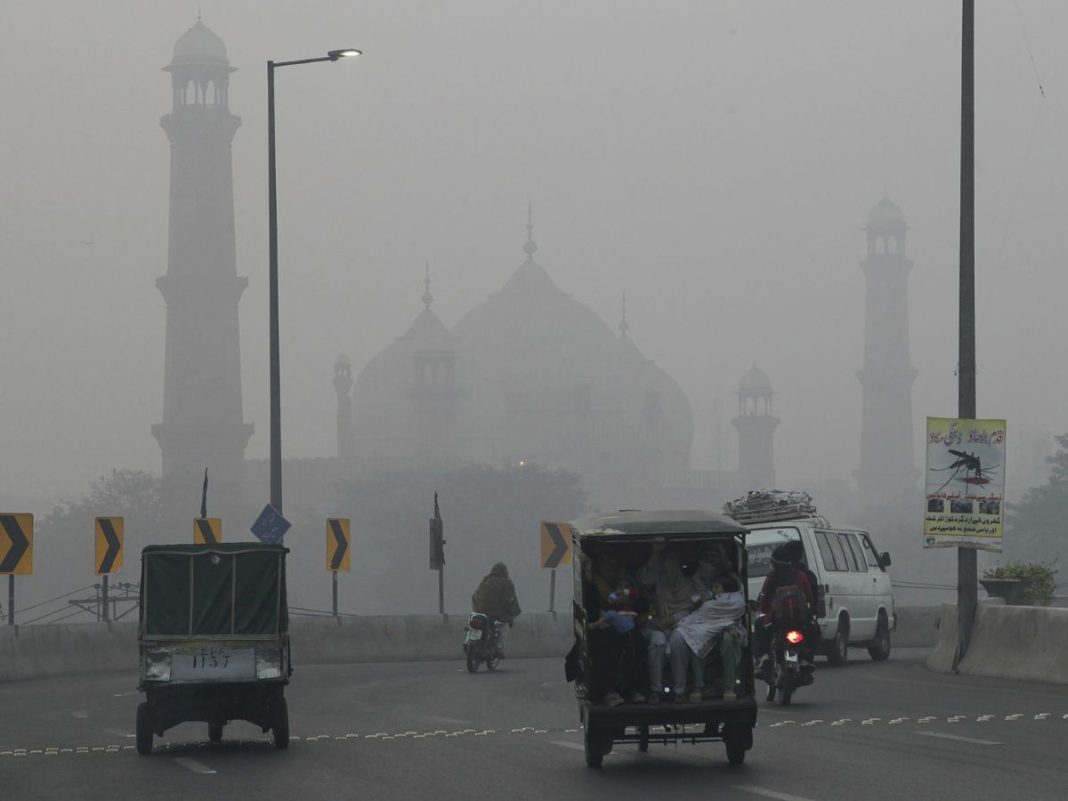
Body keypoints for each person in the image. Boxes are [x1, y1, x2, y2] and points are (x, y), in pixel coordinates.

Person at [639, 542, 706, 703]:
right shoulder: (655, 583)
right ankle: (655, 690)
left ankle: (679, 690)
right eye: (664, 567)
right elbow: (644, 580)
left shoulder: (689, 585)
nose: (668, 571)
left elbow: (696, 605)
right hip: (654, 626)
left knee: (678, 639)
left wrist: (676, 620)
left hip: (680, 627)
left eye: (671, 566)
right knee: (658, 642)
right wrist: (655, 553)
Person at [753, 545, 815, 677]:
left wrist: (766, 611)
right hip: (800, 620)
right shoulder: (801, 576)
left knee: (758, 626)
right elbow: (809, 598)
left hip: (776, 620)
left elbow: (764, 600)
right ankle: (806, 660)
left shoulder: (771, 577)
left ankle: (763, 657)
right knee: (814, 630)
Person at [471, 562, 521, 657]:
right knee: (504, 625)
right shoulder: (507, 583)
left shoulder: (486, 579)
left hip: (480, 611)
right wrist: (512, 615)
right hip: (496, 613)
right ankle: (499, 647)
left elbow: (477, 594)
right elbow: (510, 600)